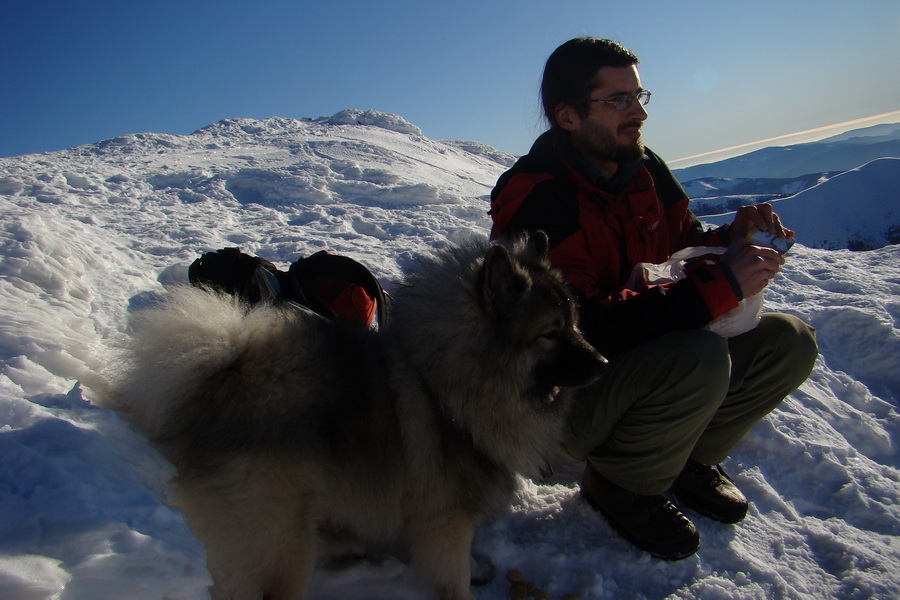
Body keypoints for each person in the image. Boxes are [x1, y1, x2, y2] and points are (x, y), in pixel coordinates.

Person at [489, 37, 818, 560]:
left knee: (789, 342)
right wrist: (718, 286)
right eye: (618, 100)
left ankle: (687, 457)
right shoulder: (540, 201)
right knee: (698, 356)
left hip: (635, 366)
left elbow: (678, 240)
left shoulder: (640, 169)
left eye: (639, 96)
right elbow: (580, 329)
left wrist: (730, 240)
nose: (638, 113)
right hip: (560, 401)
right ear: (568, 116)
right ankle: (621, 483)